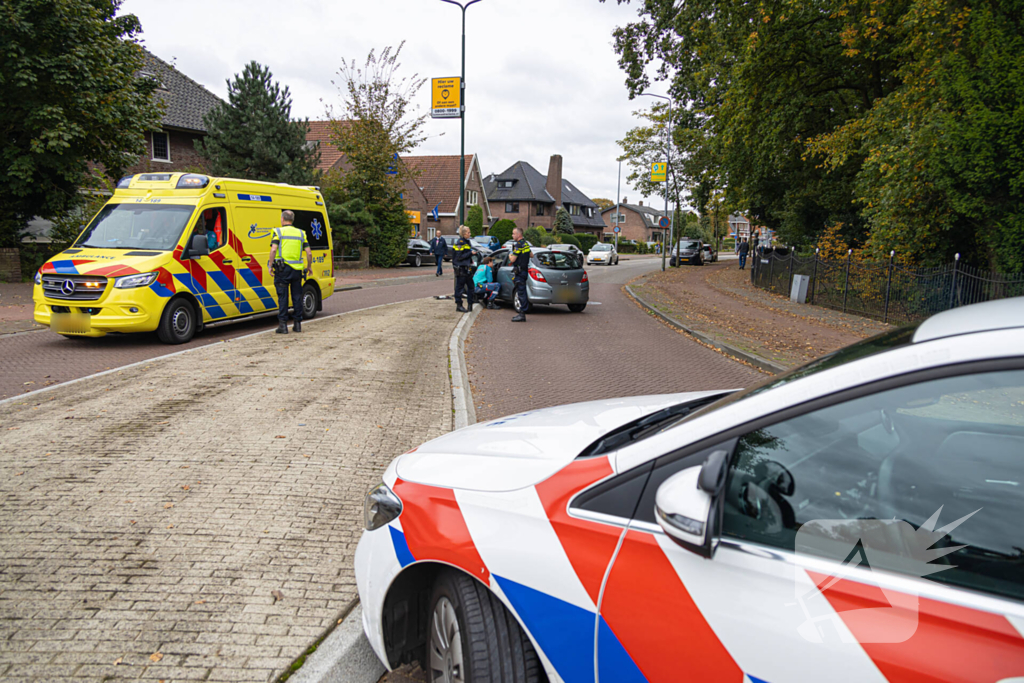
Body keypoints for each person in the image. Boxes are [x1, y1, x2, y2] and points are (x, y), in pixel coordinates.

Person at [267, 210, 312, 334]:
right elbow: (309, 253)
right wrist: (309, 267)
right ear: (293, 220)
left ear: (282, 219)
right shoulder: (301, 233)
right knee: (297, 296)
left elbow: (273, 250)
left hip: (282, 270)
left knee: (283, 297)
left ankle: (283, 326)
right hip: (297, 271)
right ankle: (297, 325)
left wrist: (270, 266)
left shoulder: (278, 232)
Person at [508, 226, 531, 322]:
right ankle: (522, 312)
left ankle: (522, 314)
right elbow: (531, 255)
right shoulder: (526, 244)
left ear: (518, 234)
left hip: (520, 272)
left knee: (521, 293)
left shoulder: (518, 245)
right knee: (522, 292)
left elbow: (513, 259)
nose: (512, 235)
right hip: (524, 271)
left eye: (513, 234)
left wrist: (510, 254)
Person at [451, 225, 475, 313]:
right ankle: (459, 305)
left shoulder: (467, 242)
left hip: (467, 268)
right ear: (464, 234)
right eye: (468, 232)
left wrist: (471, 258)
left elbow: (466, 254)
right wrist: (471, 253)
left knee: (471, 287)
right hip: (461, 269)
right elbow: (459, 257)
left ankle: (470, 304)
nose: (470, 234)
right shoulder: (460, 243)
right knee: (459, 288)